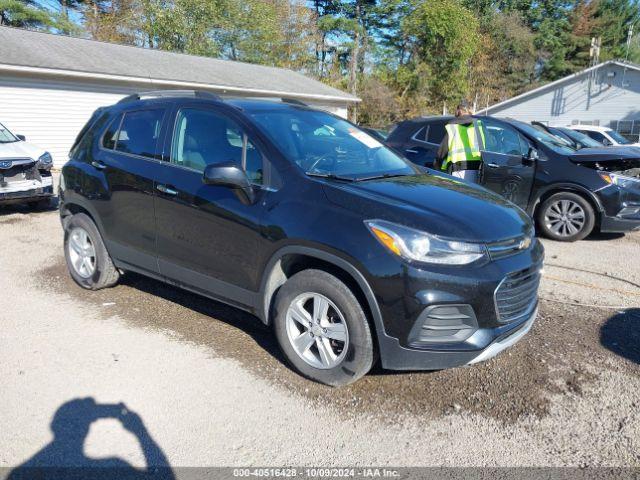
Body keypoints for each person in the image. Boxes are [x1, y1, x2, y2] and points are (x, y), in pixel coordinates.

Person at [434, 100, 484, 183]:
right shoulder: (478, 124)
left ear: (459, 111)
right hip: (476, 167)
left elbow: (443, 150)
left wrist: (437, 164)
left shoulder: (453, 125)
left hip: (458, 168)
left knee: (459, 193)